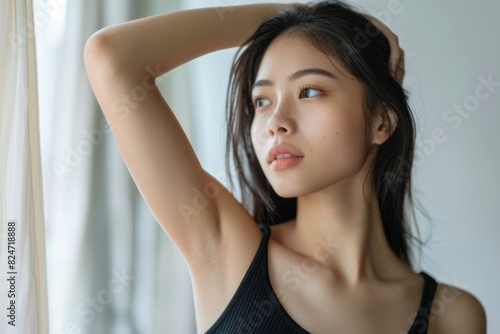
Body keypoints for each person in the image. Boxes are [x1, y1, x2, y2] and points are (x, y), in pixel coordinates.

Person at [84, 1, 486, 333]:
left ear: (381, 122)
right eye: (262, 101)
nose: (276, 120)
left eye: (309, 90)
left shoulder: (452, 317)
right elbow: (112, 59)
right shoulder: (226, 250)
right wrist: (287, 15)